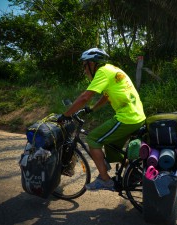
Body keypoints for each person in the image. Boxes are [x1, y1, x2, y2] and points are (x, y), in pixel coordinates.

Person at [58, 48, 146, 191]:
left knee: (93, 139)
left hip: (127, 117)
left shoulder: (102, 72)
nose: (84, 69)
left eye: (84, 65)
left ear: (92, 63)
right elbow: (106, 95)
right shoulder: (111, 69)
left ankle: (105, 180)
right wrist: (92, 109)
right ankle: (135, 172)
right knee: (113, 151)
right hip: (137, 116)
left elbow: (85, 97)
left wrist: (66, 114)